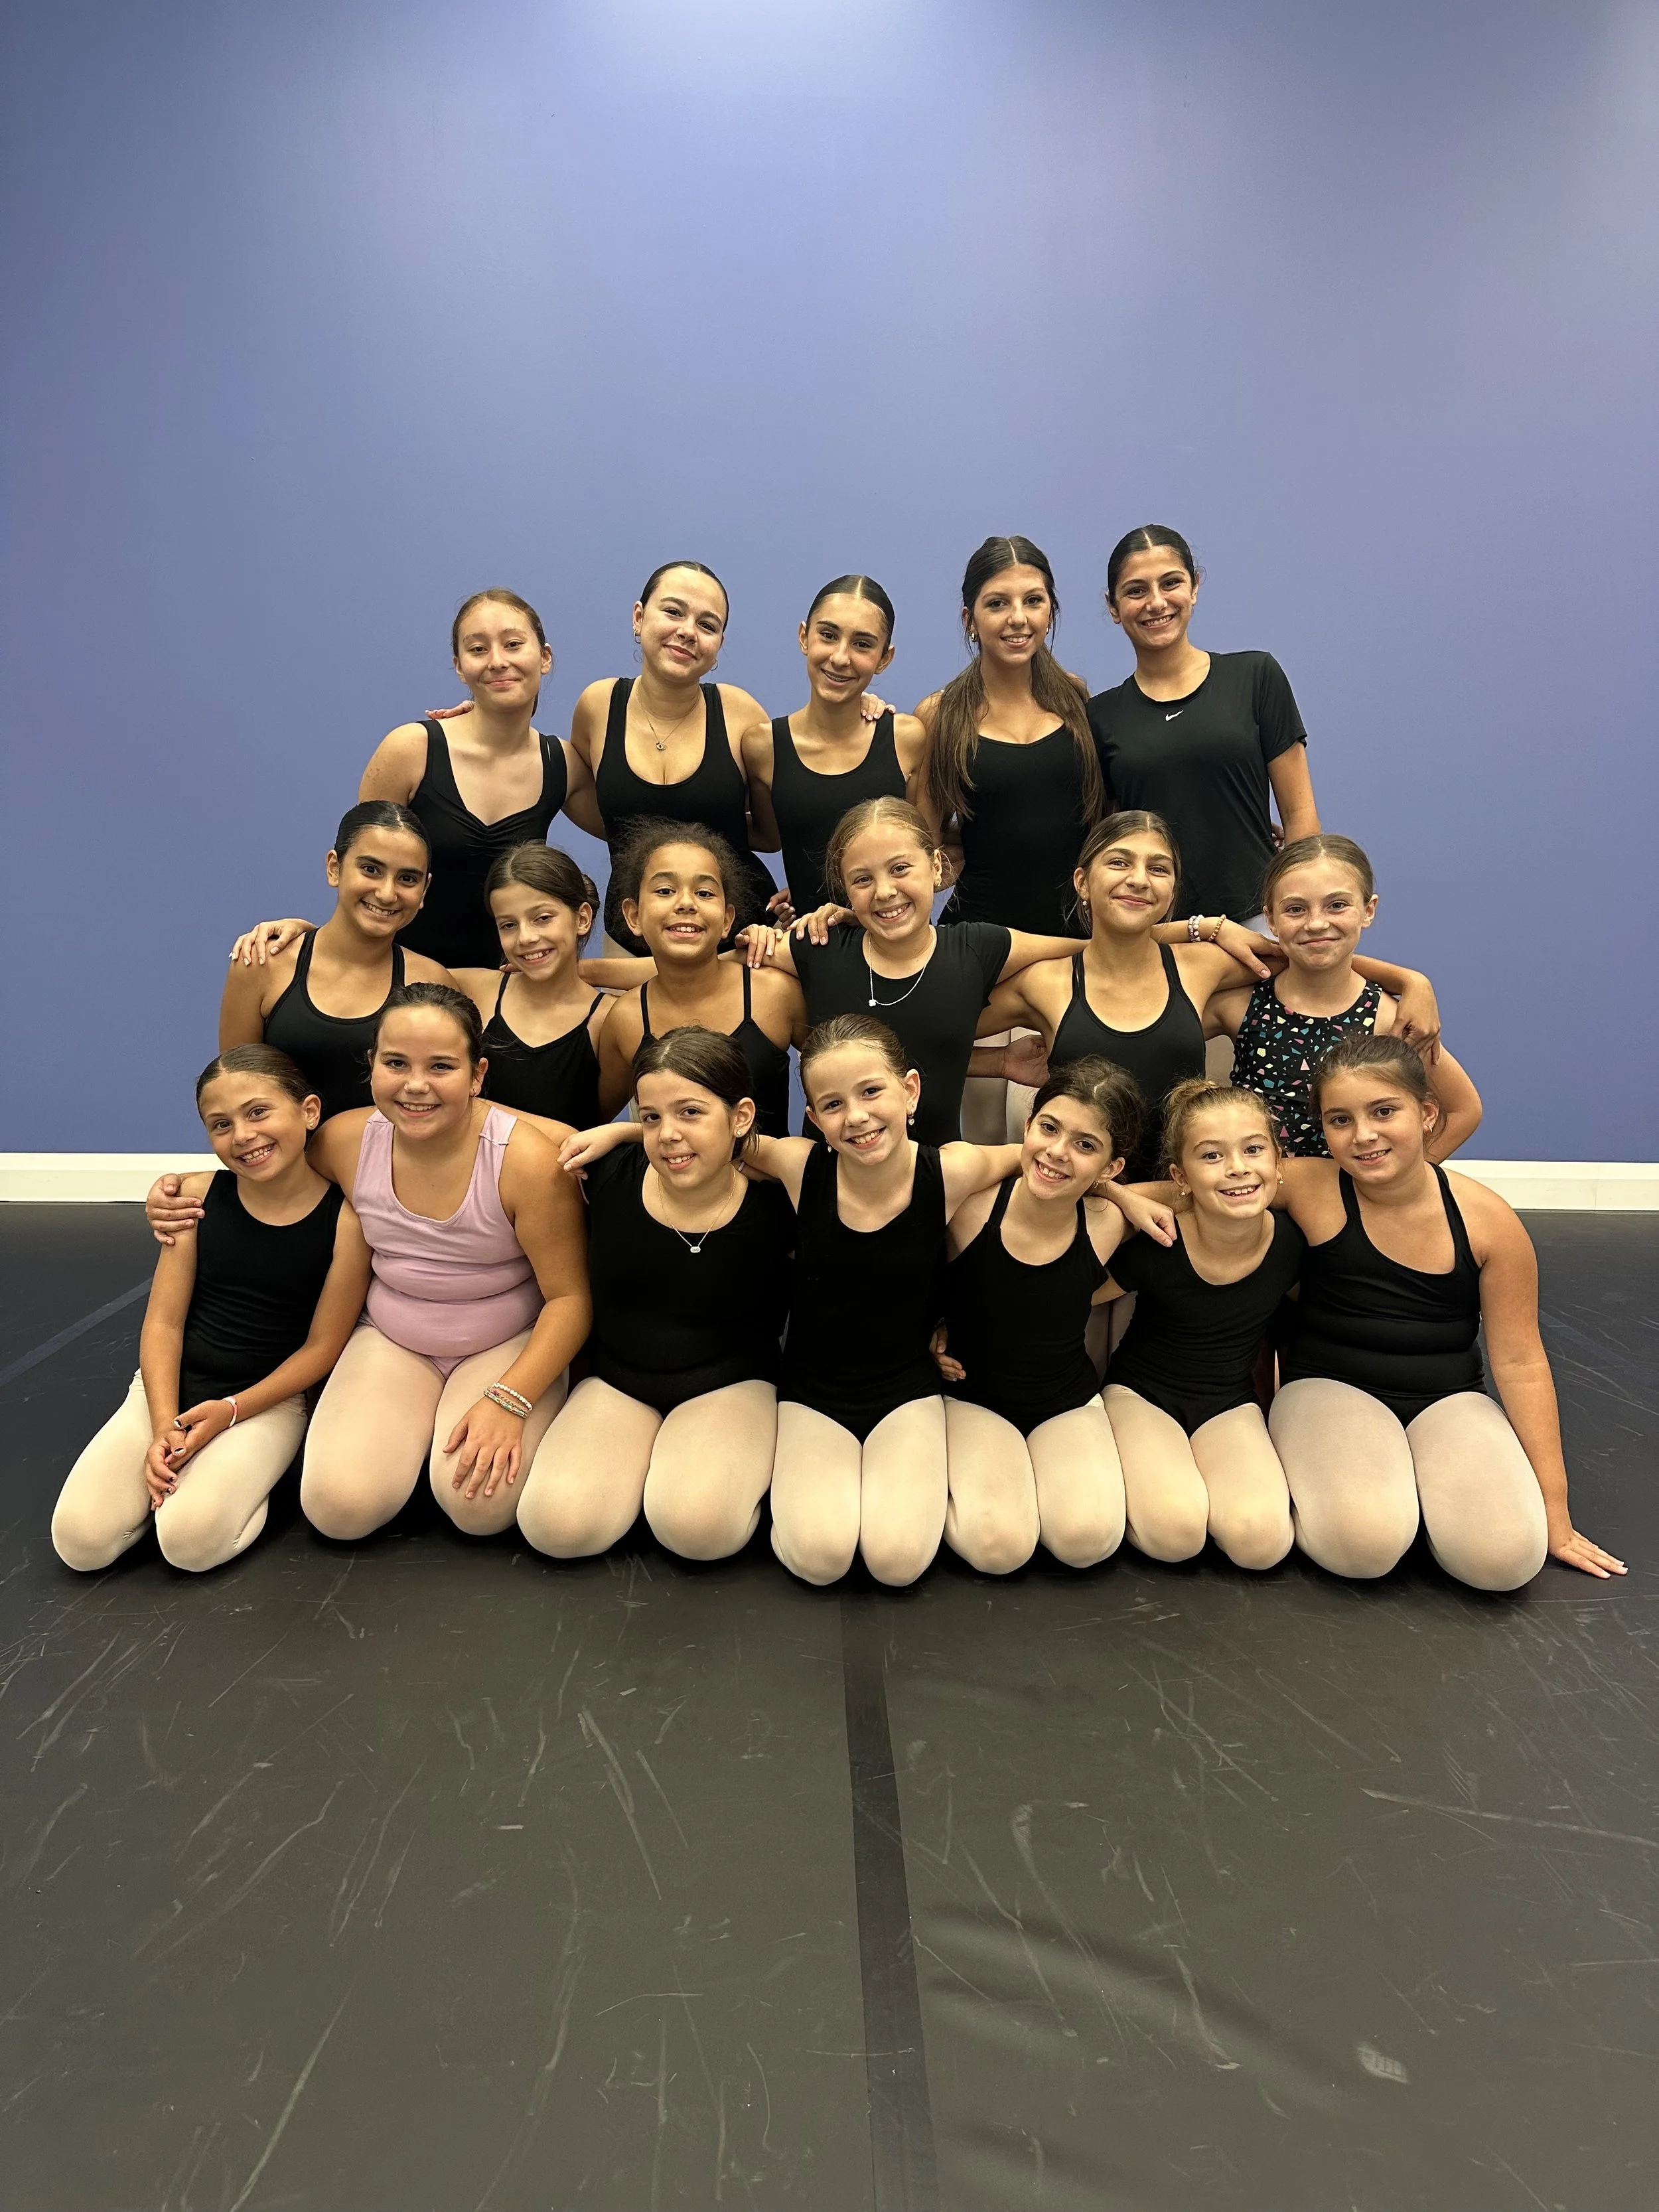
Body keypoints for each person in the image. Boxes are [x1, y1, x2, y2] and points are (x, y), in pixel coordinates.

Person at [148, 986, 591, 1540]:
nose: (415, 1084)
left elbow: (570, 1300)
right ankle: (408, 1439)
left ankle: (443, 1438)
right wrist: (176, 1191)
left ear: (478, 1075)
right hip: (392, 1336)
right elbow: (263, 1162)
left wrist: (511, 1399)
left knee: (480, 1508)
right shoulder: (345, 1139)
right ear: (372, 1064)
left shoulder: (526, 1163)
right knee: (338, 1510)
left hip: (501, 1341)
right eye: (396, 1063)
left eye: (442, 1066)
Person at [977, 811, 1440, 1183]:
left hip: (1184, 1194)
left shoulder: (1203, 965)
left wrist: (1410, 981)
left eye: (1158, 868)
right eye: (1120, 862)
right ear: (1082, 881)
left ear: (1173, 890)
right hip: (1079, 1188)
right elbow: (938, 1032)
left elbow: (1308, 953)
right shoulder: (1043, 982)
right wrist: (997, 1064)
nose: (1139, 879)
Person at [53, 1047, 370, 1573]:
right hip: (169, 1392)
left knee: (188, 1544)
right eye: (220, 1124)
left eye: (258, 1112)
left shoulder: (347, 1223)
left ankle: (243, 1487)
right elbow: (163, 1322)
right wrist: (162, 1425)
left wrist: (231, 1411)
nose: (243, 1134)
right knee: (81, 1543)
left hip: (266, 1403)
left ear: (309, 1111)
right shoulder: (197, 1198)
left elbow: (322, 1348)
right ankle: (182, 1485)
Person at [741, 1015, 1024, 1587]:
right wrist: (621, 1132)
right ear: (816, 1119)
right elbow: (711, 1132)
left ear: (910, 1089)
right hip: (812, 1390)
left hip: (905, 1388)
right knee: (820, 1558)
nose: (859, 1116)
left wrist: (1119, 1190)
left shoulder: (952, 1169)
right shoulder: (800, 1165)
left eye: (872, 1091)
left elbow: (1040, 1158)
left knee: (897, 1562)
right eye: (834, 1104)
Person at [522, 1029, 794, 1562]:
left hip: (731, 1382)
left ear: (740, 1116)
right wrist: (620, 1133)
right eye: (651, 1116)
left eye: (690, 1112)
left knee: (699, 1529)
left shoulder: (780, 1199)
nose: (668, 1134)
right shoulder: (606, 1171)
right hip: (619, 1381)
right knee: (555, 1526)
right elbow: (487, 1116)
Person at [739, 798, 1079, 1145]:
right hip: (832, 1179)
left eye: (900, 869)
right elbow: (712, 965)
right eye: (863, 880)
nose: (885, 891)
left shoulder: (976, 948)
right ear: (845, 891)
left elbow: (1091, 951)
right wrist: (757, 936)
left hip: (938, 1180)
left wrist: (998, 1061)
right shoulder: (819, 946)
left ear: (935, 867)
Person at [932, 1058, 1158, 1575]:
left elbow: (1185, 1191)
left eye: (1086, 1145)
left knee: (1088, 1540)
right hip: (971, 1396)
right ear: (1028, 1125)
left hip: (1064, 1399)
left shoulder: (1107, 1222)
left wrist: (1124, 1198)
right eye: (1049, 1128)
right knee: (1000, 1548)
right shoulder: (970, 1204)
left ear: (1112, 1167)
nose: (1057, 1152)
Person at [1100, 1080, 1304, 1570]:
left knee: (1262, 1543)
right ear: (1181, 1176)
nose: (1237, 1167)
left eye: (1253, 1149)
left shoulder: (1292, 1245)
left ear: (1279, 1162)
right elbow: (1066, 1296)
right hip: (1141, 1396)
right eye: (1212, 1156)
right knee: (1177, 1533)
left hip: (1228, 1402)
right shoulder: (1159, 1240)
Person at [1088, 525, 1321, 928]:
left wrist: (1292, 913)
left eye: (1171, 583)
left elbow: (1301, 817)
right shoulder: (1100, 715)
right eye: (1136, 590)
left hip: (1259, 921)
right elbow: (1106, 836)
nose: (1156, 602)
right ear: (1113, 606)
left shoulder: (1255, 676)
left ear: (1194, 587)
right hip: (1157, 931)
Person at [360, 589, 600, 970]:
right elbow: (361, 873)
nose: (497, 661)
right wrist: (309, 937)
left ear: (545, 658)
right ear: (460, 666)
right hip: (401, 986)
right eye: (478, 649)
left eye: (513, 644)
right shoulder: (411, 750)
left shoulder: (563, 764)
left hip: (509, 991)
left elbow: (630, 829)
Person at [1210, 833, 1482, 1157]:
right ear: (1271, 919)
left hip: (1343, 1201)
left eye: (1337, 905)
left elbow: (1463, 1110)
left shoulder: (1392, 1020)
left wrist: (1401, 1180)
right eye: (1295, 909)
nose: (1316, 923)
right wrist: (1199, 928)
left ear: (1368, 910)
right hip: (1254, 1195)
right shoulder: (1239, 1005)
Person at [569, 561, 780, 950]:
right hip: (631, 938)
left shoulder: (742, 713)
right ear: (639, 617)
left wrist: (861, 705)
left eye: (707, 624)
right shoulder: (598, 706)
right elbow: (593, 805)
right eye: (673, 611)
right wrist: (485, 715)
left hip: (738, 943)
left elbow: (772, 832)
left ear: (718, 645)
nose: (687, 632)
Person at [916, 535, 1103, 938]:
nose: (1018, 618)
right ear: (970, 619)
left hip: (1077, 935)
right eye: (997, 603)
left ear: (1051, 611)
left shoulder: (1076, 698)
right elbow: (921, 845)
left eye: (1033, 601)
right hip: (979, 939)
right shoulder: (940, 713)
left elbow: (1102, 817)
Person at [218, 803, 453, 1121]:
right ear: (334, 868)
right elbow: (234, 1095)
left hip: (392, 1167)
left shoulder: (431, 980)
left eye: (407, 879)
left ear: (424, 889)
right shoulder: (263, 963)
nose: (386, 893)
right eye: (371, 869)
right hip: (284, 1168)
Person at [596, 821, 802, 1136]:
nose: (686, 903)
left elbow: (838, 1085)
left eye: (704, 892)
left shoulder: (776, 993)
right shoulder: (626, 1018)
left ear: (727, 920)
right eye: (665, 891)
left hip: (771, 1183)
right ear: (634, 916)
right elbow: (592, 1117)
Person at [740, 574, 924, 918]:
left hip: (898, 945)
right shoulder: (762, 747)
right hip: (813, 948)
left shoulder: (907, 739)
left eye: (863, 644)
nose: (841, 657)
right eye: (828, 635)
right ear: (803, 637)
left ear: (885, 658)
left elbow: (923, 858)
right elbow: (769, 837)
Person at [447, 844, 613, 1130]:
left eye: (543, 918)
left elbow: (699, 975)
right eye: (508, 925)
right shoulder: (474, 989)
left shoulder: (610, 1020)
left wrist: (595, 970)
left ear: (582, 919)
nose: (525, 937)